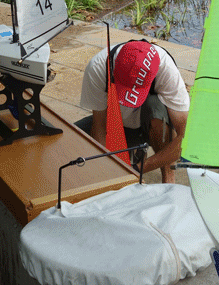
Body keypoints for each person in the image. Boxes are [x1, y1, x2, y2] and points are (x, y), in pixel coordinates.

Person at [76, 40, 189, 184]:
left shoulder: (167, 71)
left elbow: (186, 139)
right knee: (69, 142)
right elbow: (99, 126)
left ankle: (168, 179)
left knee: (155, 105)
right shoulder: (98, 67)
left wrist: (137, 169)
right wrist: (108, 169)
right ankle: (132, 152)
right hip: (116, 123)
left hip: (150, 124)